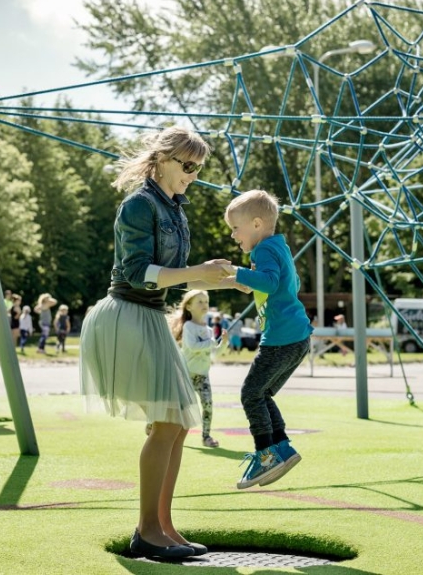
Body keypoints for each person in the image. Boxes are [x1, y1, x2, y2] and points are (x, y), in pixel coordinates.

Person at [79, 126, 240, 560]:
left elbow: (177, 278)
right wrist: (198, 272)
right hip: (129, 314)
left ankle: (163, 527)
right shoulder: (139, 204)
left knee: (179, 424)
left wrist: (228, 280)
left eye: (198, 167)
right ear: (164, 160)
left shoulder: (175, 209)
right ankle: (147, 531)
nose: (193, 173)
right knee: (168, 422)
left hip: (149, 314)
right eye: (188, 165)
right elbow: (137, 273)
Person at [224, 189, 313, 490]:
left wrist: (239, 272)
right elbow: (290, 282)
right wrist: (247, 281)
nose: (234, 236)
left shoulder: (261, 250)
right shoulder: (279, 246)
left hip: (281, 338)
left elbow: (271, 282)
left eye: (236, 228)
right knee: (264, 394)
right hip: (298, 337)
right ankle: (283, 447)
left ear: (257, 224)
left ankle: (265, 456)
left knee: (251, 394)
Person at [169, 290, 220, 448]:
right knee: (175, 406)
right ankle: (152, 424)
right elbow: (192, 346)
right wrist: (211, 342)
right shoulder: (189, 326)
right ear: (189, 306)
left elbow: (215, 352)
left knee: (208, 406)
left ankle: (206, 436)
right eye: (200, 301)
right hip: (186, 375)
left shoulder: (209, 330)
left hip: (203, 375)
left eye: (206, 301)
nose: (204, 305)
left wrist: (222, 342)